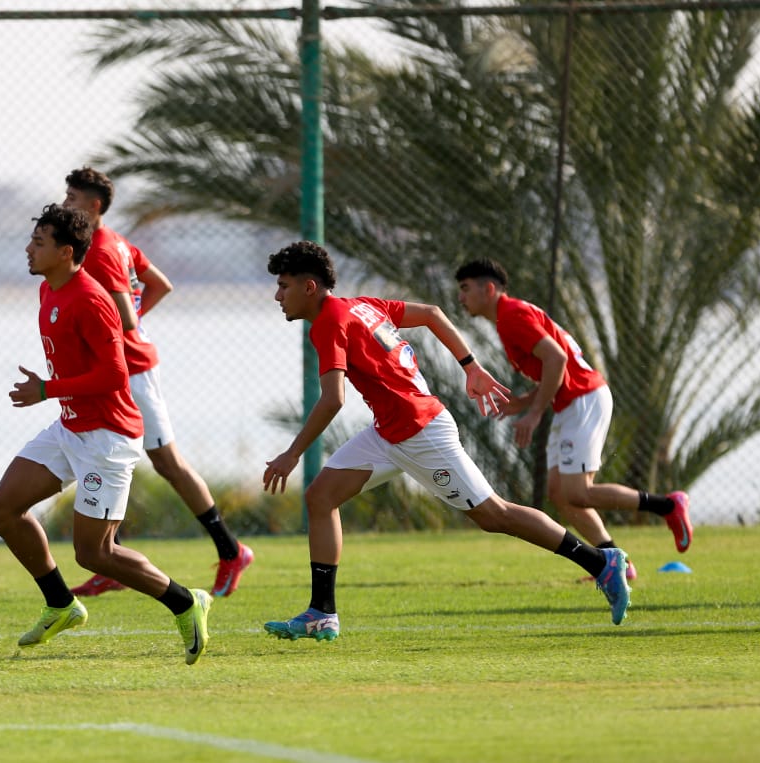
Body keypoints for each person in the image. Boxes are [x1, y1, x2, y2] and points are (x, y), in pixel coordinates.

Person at [261, 241, 632, 642]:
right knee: (320, 497)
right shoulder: (361, 306)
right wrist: (470, 367)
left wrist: (292, 454)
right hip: (390, 431)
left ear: (309, 287)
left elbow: (333, 399)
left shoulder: (330, 323)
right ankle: (321, 613)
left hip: (420, 432)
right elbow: (432, 314)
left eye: (283, 286)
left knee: (495, 516)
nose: (278, 296)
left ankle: (600, 563)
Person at [0, 203, 211, 665]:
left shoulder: (90, 299)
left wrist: (46, 389)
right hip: (70, 427)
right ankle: (61, 604)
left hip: (107, 438)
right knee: (3, 509)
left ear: (66, 252)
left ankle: (186, 601)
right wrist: (54, 394)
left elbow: (114, 374)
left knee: (94, 553)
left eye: (38, 243)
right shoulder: (49, 289)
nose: (28, 249)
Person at [60, 167, 254, 598]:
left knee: (168, 463)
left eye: (72, 198)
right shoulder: (115, 242)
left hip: (131, 371)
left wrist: (110, 333)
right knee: (101, 453)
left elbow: (127, 317)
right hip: (124, 368)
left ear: (94, 205)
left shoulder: (101, 251)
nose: (65, 203)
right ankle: (109, 558)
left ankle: (231, 550)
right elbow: (159, 285)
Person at [453, 258, 692, 575]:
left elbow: (557, 358)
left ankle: (668, 505)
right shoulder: (509, 316)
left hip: (583, 399)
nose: (461, 297)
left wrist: (535, 413)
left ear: (489, 289)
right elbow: (553, 369)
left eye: (465, 288)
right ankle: (616, 564)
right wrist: (523, 402)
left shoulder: (512, 316)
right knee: (560, 495)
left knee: (578, 492)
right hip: (571, 402)